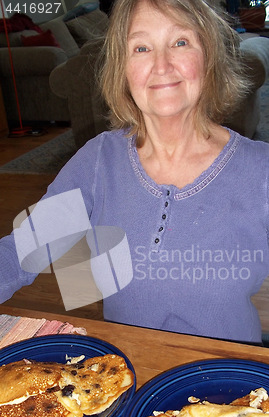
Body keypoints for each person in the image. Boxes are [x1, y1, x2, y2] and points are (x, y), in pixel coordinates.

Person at [1, 0, 269, 343]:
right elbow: (21, 251)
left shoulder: (259, 172)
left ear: (209, 57)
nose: (161, 65)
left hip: (232, 385)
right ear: (123, 69)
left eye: (180, 42)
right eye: (141, 47)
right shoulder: (99, 162)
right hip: (127, 377)